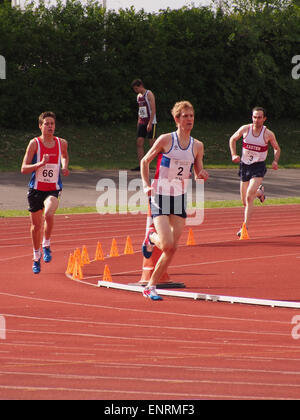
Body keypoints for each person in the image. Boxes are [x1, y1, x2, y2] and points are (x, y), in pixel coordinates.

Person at [140, 101, 209, 300]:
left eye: (192, 116)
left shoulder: (197, 145)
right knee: (168, 244)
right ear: (177, 119)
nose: (189, 120)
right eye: (185, 116)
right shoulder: (166, 140)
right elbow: (145, 161)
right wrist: (146, 185)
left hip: (179, 197)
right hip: (160, 195)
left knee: (172, 248)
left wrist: (202, 173)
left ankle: (151, 285)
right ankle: (151, 237)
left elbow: (197, 170)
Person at [21, 111, 69, 274]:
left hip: (53, 189)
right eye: (47, 124)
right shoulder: (34, 143)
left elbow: (64, 156)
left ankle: (46, 244)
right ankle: (36, 256)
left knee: (48, 214)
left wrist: (64, 166)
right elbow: (23, 168)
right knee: (36, 226)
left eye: (52, 124)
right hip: (36, 190)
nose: (50, 126)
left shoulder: (62, 142)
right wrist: (40, 163)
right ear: (40, 126)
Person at [229, 106, 281, 236]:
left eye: (259, 117)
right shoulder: (245, 129)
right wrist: (233, 154)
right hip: (244, 165)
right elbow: (233, 139)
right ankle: (260, 193)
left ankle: (244, 228)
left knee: (248, 196)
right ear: (252, 117)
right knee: (244, 201)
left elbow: (276, 148)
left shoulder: (268, 134)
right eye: (254, 117)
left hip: (258, 166)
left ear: (264, 119)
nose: (256, 120)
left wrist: (275, 160)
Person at [131, 79, 157, 170]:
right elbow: (140, 109)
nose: (136, 90)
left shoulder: (149, 94)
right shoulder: (138, 96)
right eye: (134, 89)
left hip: (151, 122)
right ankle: (142, 165)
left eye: (136, 88)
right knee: (139, 143)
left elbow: (153, 109)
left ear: (141, 85)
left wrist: (150, 123)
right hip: (142, 122)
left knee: (153, 145)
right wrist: (139, 121)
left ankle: (161, 164)